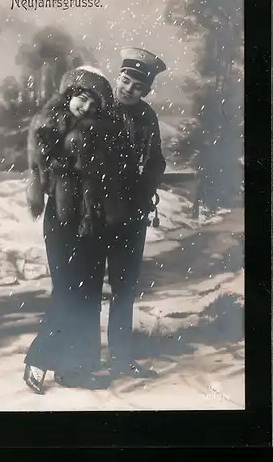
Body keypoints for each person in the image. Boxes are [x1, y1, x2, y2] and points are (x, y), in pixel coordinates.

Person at [23, 66, 120, 394]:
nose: (86, 106)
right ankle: (38, 359)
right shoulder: (49, 124)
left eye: (94, 102)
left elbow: (107, 172)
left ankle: (77, 367)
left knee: (89, 292)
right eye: (82, 97)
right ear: (70, 94)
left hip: (92, 219)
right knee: (68, 292)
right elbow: (44, 172)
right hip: (63, 218)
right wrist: (71, 165)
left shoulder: (99, 131)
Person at [88, 47, 167, 376]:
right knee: (88, 288)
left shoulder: (148, 117)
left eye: (138, 86)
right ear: (117, 77)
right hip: (95, 215)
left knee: (124, 289)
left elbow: (156, 160)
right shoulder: (98, 110)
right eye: (125, 80)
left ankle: (121, 357)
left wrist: (145, 187)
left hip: (131, 217)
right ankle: (87, 358)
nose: (129, 89)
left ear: (146, 91)